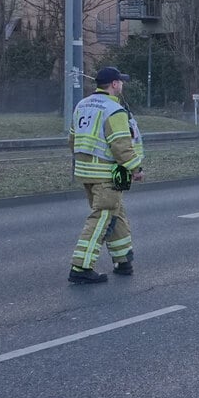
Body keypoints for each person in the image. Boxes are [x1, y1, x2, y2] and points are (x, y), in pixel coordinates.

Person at [68, 66, 144, 284]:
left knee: (114, 214)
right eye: (121, 81)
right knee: (101, 218)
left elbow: (72, 141)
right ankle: (81, 267)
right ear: (114, 84)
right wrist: (135, 169)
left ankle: (123, 261)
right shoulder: (114, 109)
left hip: (86, 172)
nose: (122, 85)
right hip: (107, 174)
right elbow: (121, 146)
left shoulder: (82, 105)